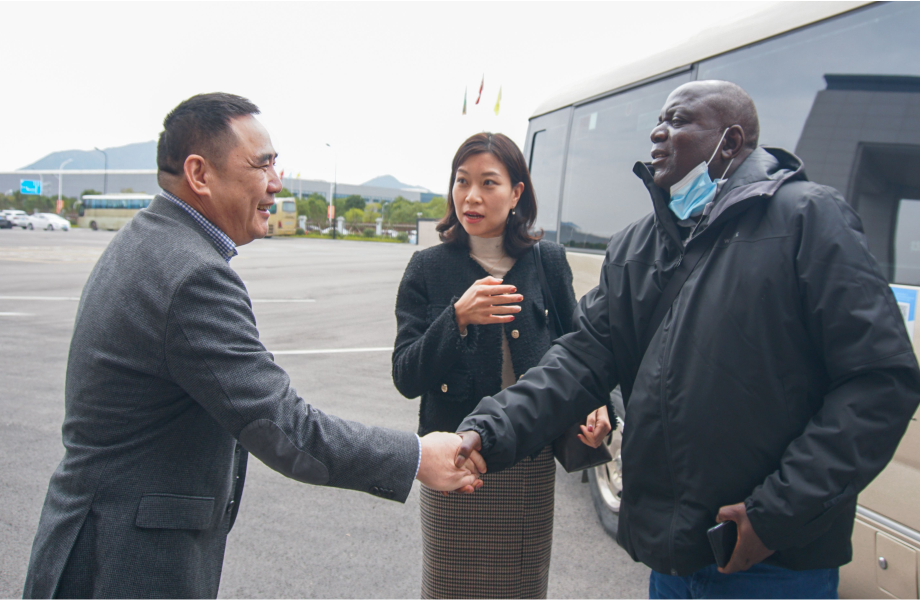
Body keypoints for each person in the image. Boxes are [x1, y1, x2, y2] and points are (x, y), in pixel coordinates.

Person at [455, 81, 920, 599]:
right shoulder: (637, 244)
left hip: (772, 563)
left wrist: (773, 516)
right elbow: (579, 360)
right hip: (674, 561)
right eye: (659, 120)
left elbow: (880, 382)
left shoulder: (808, 219)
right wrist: (488, 430)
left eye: (678, 121)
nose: (658, 132)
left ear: (731, 140)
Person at [22, 93, 483, 600]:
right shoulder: (192, 274)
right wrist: (416, 456)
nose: (276, 183)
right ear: (200, 174)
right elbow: (282, 426)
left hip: (97, 542)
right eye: (263, 164)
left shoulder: (151, 239)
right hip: (124, 562)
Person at [392, 132, 610, 600]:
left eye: (489, 183)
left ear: (516, 194)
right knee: (451, 589)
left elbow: (581, 349)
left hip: (528, 463)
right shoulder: (426, 268)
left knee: (522, 589)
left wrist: (595, 408)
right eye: (462, 181)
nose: (471, 196)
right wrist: (456, 319)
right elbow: (406, 376)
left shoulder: (547, 261)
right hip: (457, 465)